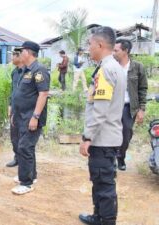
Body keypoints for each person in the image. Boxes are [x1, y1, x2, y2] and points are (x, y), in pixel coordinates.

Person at [79, 26, 126, 225]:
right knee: (99, 181)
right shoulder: (113, 66)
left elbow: (100, 110)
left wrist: (87, 137)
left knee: (104, 184)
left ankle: (106, 220)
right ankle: (98, 216)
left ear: (100, 44)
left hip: (102, 139)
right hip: (107, 137)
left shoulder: (106, 70)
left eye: (90, 44)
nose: (88, 48)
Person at [11, 41, 50, 195]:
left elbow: (43, 94)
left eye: (22, 51)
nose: (20, 54)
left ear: (28, 52)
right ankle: (31, 176)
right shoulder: (25, 70)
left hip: (31, 116)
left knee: (25, 147)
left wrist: (35, 116)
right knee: (26, 147)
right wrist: (14, 112)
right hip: (21, 115)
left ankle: (26, 183)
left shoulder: (39, 70)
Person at [113, 39, 148, 171]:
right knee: (112, 132)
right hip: (113, 106)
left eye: (116, 50)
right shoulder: (112, 66)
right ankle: (112, 158)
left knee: (126, 133)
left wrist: (141, 109)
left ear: (125, 51)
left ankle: (121, 156)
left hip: (129, 107)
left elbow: (142, 89)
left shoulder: (137, 67)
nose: (114, 53)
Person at [6, 49, 26, 167]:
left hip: (25, 109)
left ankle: (24, 160)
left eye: (13, 56)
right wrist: (10, 105)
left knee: (24, 137)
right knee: (14, 136)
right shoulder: (14, 72)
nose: (11, 59)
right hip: (14, 108)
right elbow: (12, 91)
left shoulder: (28, 72)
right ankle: (17, 158)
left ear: (19, 57)